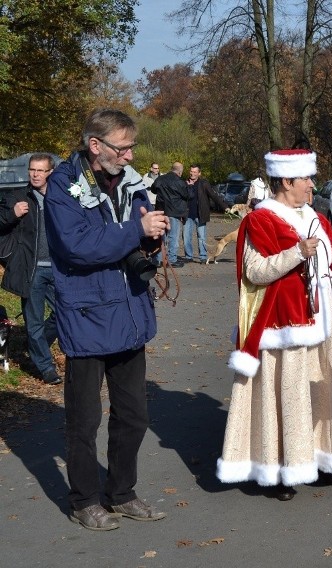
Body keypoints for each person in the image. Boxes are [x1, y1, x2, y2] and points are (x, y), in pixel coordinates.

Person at [217, 148, 332, 501]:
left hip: (327, 318)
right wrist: (296, 254)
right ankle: (284, 468)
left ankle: (325, 455)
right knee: (289, 395)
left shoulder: (317, 218)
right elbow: (254, 272)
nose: (311, 184)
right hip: (285, 323)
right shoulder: (260, 221)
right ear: (286, 181)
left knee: (324, 392)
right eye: (306, 178)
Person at [44, 109, 170, 530]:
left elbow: (133, 235)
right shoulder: (64, 186)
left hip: (130, 313)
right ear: (95, 146)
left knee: (134, 415)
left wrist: (153, 237)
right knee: (84, 421)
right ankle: (83, 500)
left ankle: (121, 492)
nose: (130, 155)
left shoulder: (132, 185)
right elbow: (78, 246)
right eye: (123, 147)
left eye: (132, 146)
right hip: (86, 317)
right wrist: (135, 231)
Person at [0, 153, 61, 385]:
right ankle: (46, 367)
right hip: (31, 269)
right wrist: (11, 214)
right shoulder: (17, 196)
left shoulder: (60, 197)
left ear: (50, 173)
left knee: (64, 313)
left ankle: (37, 345)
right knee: (33, 320)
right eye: (32, 170)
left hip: (57, 269)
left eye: (40, 170)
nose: (35, 174)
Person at [184, 164, 227, 263]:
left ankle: (203, 256)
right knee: (186, 237)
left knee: (201, 237)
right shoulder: (184, 183)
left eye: (195, 172)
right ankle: (188, 257)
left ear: (199, 173)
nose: (192, 174)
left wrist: (225, 207)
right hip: (187, 215)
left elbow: (214, 196)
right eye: (191, 171)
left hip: (201, 215)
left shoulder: (204, 183)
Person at [151, 162, 188, 267]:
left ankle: (157, 259)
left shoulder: (160, 179)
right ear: (180, 171)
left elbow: (153, 189)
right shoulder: (180, 182)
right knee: (173, 237)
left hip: (161, 211)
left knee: (160, 236)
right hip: (174, 212)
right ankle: (172, 259)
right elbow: (187, 195)